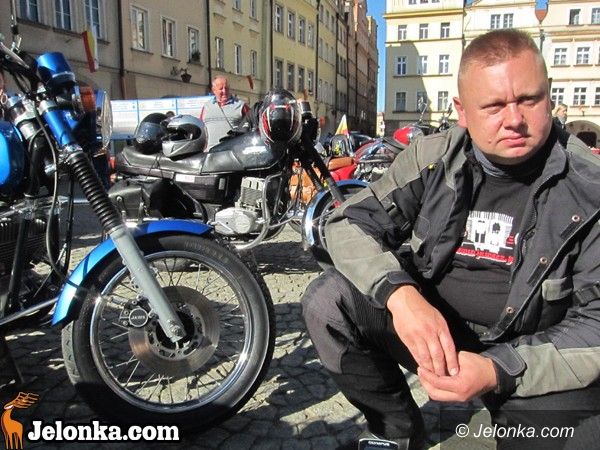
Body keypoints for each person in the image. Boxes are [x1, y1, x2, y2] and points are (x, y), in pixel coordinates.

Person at [302, 29, 600, 449]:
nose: (514, 119)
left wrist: (498, 369)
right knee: (327, 302)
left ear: (549, 95)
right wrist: (401, 296)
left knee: (581, 438)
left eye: (529, 100)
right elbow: (347, 223)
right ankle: (396, 432)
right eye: (494, 106)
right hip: (437, 335)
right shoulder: (435, 158)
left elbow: (595, 328)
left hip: (531, 353)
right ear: (462, 111)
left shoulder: (589, 188)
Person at [201, 76, 250, 149]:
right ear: (214, 90)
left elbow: (252, 124)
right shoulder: (206, 107)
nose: (224, 91)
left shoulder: (241, 106)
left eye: (226, 88)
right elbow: (201, 128)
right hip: (211, 152)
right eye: (221, 89)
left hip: (233, 151)